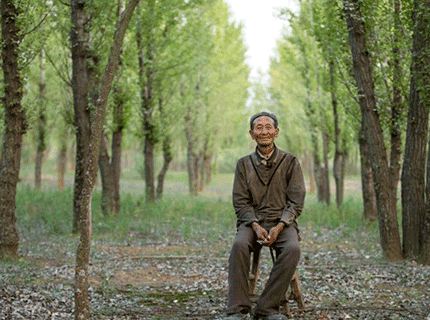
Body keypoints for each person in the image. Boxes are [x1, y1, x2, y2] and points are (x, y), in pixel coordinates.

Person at [224, 111, 306, 320]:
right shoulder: (243, 164)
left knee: (292, 249)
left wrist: (280, 226)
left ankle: (267, 308)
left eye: (268, 127)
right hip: (252, 223)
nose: (264, 132)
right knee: (239, 246)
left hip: (283, 223)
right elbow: (240, 201)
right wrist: (255, 225)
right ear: (252, 134)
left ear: (276, 132)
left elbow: (296, 201)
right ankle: (237, 309)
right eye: (258, 128)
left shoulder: (290, 161)